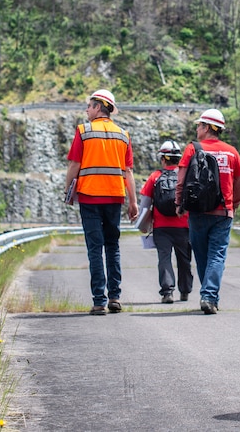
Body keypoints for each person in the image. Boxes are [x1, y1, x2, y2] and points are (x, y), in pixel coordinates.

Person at [64, 89, 139, 315]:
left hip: (89, 197)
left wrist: (67, 190)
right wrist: (133, 202)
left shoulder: (83, 131)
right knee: (113, 246)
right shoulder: (123, 134)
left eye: (89, 105)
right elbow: (128, 172)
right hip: (115, 197)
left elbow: (74, 165)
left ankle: (99, 301)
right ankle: (115, 296)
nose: (87, 110)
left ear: (98, 107)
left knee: (95, 248)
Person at [174, 109, 240, 315]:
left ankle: (209, 295)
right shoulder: (231, 152)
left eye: (199, 125)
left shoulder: (192, 149)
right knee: (217, 254)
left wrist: (179, 204)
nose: (197, 128)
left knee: (202, 255)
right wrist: (236, 203)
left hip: (197, 212)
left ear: (206, 127)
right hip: (223, 212)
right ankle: (209, 296)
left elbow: (181, 180)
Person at [138, 141, 193, 304]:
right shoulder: (186, 175)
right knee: (184, 259)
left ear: (163, 158)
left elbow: (145, 204)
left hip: (161, 227)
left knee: (164, 258)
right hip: (184, 225)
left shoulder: (155, 177)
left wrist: (143, 225)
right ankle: (185, 291)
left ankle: (167, 292)